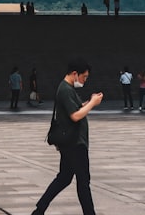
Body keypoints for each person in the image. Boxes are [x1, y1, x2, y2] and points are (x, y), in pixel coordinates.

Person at [31, 58, 104, 215]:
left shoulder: (67, 88)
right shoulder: (65, 89)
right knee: (83, 182)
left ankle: (39, 209)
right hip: (75, 144)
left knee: (64, 177)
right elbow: (75, 116)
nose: (84, 81)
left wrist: (90, 102)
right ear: (74, 74)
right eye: (84, 77)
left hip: (71, 142)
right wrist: (92, 104)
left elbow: (76, 109)